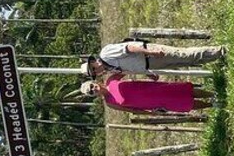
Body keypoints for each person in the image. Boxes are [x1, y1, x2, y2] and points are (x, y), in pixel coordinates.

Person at [81, 40, 225, 79]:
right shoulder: (110, 69)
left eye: (93, 68)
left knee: (185, 55)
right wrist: (148, 73)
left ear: (94, 62)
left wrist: (149, 51)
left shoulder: (106, 54)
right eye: (94, 73)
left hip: (148, 55)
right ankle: (216, 56)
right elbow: (130, 68)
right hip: (150, 65)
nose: (96, 70)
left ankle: (221, 51)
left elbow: (128, 48)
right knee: (186, 61)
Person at [80, 73, 213, 114]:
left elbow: (129, 68)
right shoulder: (110, 103)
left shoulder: (111, 79)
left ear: (94, 82)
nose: (94, 89)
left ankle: (212, 95)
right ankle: (212, 105)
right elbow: (132, 110)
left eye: (92, 86)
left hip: (153, 88)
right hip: (153, 103)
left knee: (184, 91)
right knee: (185, 104)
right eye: (91, 92)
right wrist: (151, 113)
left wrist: (148, 73)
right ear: (93, 96)